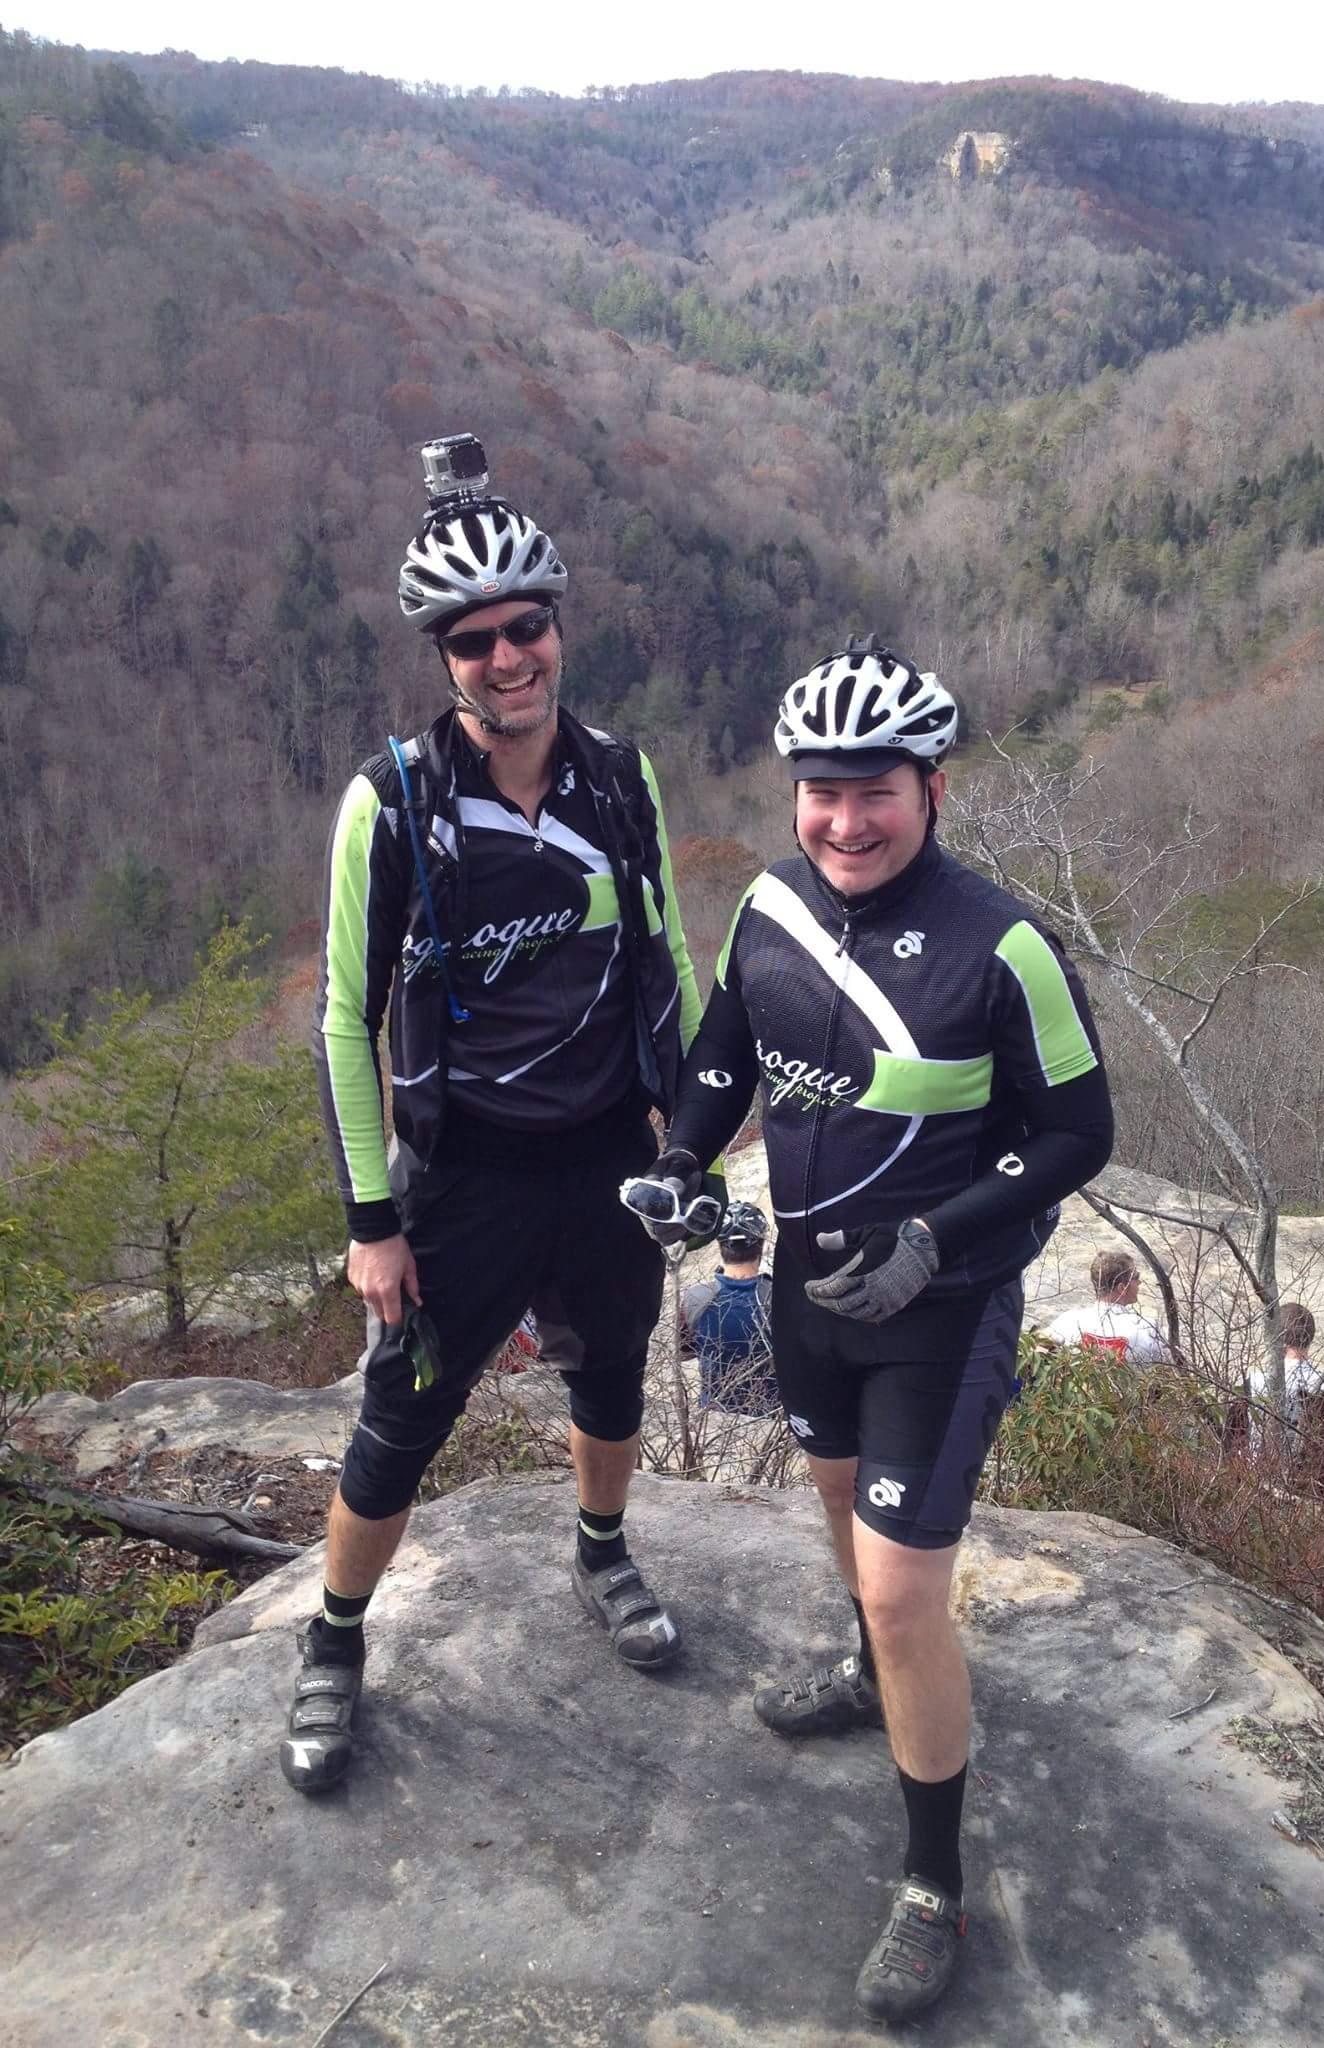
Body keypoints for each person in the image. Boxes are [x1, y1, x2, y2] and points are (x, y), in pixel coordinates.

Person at [621, 635, 1113, 2021]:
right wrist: (687, 1158)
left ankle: (929, 1883)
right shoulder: (773, 907)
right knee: (839, 1512)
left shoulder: (1003, 947)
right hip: (805, 1288)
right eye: (820, 789)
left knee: (907, 1589)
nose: (843, 818)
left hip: (936, 1313)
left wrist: (941, 1239)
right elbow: (726, 1054)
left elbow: (1080, 1128)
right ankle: (867, 1665)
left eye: (874, 788)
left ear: (932, 785)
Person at [284, 433, 711, 1794]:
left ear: (559, 629)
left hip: (604, 1158)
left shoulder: (619, 779)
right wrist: (370, 1219)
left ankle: (601, 1549)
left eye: (527, 627)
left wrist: (688, 1130)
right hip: (458, 1175)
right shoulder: (395, 802)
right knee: (402, 1416)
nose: (507, 657)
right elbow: (345, 1016)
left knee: (611, 1371)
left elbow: (669, 954)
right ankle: (335, 1641)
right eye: (472, 642)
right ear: (442, 657)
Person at [680, 1201, 777, 1416]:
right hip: (771, 1415)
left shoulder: (695, 1297)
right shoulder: (778, 1297)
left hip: (715, 1414)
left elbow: (684, 1352)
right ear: (761, 1245)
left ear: (720, 1245)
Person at [1042, 1249, 1171, 1365]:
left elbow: (1035, 1348)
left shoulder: (1068, 1321)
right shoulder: (1148, 1328)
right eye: (1136, 1277)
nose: (1140, 1282)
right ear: (1122, 1288)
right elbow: (1170, 1371)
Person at [1278, 1301, 1324, 1495]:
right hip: (1317, 1484)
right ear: (1311, 1337)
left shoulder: (1253, 1382)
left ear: (1277, 1337)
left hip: (1259, 1477)